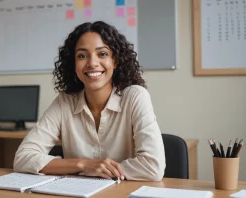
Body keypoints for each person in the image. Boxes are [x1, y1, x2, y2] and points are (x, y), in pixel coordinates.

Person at [13, 21, 165, 181]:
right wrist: (83, 165)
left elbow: (152, 167)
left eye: (102, 54)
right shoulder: (65, 101)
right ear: (74, 64)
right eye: (82, 56)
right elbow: (23, 157)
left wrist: (99, 171)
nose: (92, 63)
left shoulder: (135, 97)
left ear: (115, 61)